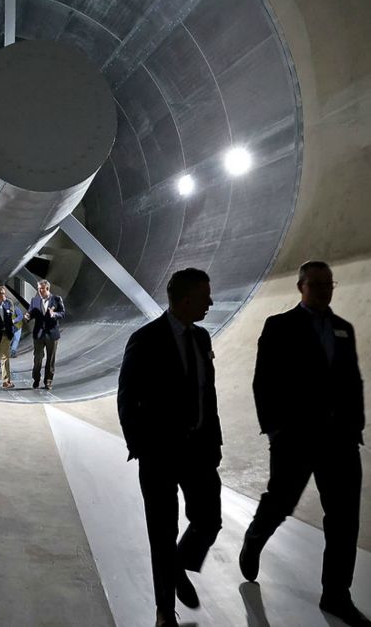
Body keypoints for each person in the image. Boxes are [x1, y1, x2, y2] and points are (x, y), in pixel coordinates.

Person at [239, 261, 371, 627]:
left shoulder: (343, 329)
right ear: (301, 287)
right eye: (316, 285)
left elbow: (353, 380)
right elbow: (262, 381)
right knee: (281, 502)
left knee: (344, 521)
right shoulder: (280, 326)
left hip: (341, 441)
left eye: (329, 285)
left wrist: (355, 426)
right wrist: (275, 429)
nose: (324, 291)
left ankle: (336, 595)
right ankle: (255, 537)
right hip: (294, 438)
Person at [117, 268, 223, 627]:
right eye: (205, 296)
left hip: (199, 451)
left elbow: (207, 395)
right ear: (186, 299)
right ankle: (165, 610)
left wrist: (215, 440)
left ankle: (178, 565)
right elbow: (127, 397)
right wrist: (140, 446)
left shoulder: (202, 338)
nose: (211, 302)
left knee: (209, 520)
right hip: (159, 454)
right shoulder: (145, 339)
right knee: (162, 531)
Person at [24, 280, 64, 390]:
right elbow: (31, 313)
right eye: (38, 288)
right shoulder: (34, 300)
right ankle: (36, 379)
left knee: (50, 359)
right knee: (38, 358)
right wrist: (27, 317)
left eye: (41, 288)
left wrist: (54, 314)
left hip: (52, 334)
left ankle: (48, 381)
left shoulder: (56, 299)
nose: (39, 290)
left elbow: (62, 313)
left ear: (47, 288)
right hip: (38, 334)